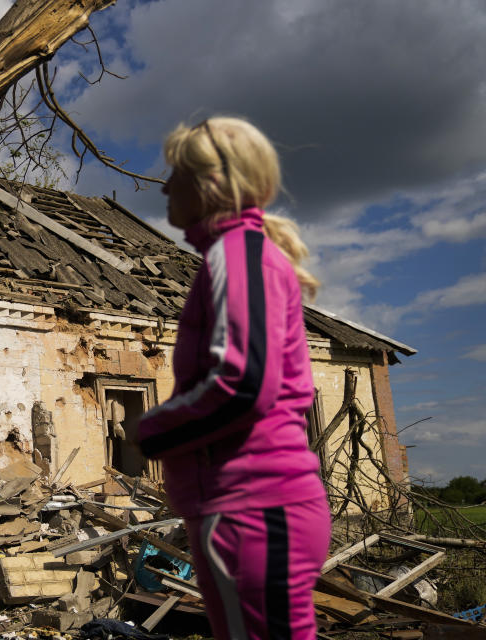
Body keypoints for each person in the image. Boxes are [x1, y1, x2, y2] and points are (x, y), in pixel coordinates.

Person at [136, 117, 330, 640]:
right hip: (249, 508)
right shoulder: (233, 256)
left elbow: (245, 384)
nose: (164, 185)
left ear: (211, 184)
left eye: (176, 171)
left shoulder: (239, 255)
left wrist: (152, 430)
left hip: (253, 506)